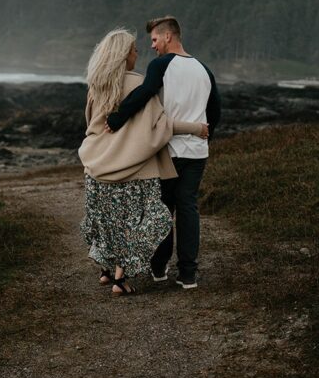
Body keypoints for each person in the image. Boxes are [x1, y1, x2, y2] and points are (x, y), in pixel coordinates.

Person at [78, 28, 208, 296]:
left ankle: (107, 270)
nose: (139, 54)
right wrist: (196, 128)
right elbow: (161, 126)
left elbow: (89, 123)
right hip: (133, 170)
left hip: (96, 165)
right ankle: (120, 280)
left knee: (107, 219)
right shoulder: (139, 85)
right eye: (135, 50)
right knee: (145, 221)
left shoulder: (96, 86)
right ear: (125, 56)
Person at [106, 16, 221, 290]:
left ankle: (159, 268)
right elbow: (215, 110)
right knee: (188, 208)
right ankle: (188, 274)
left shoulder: (161, 65)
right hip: (196, 152)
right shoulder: (204, 69)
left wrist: (117, 118)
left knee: (162, 210)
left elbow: (146, 92)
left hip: (167, 150)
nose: (153, 46)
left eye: (155, 40)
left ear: (168, 36)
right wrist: (206, 135)